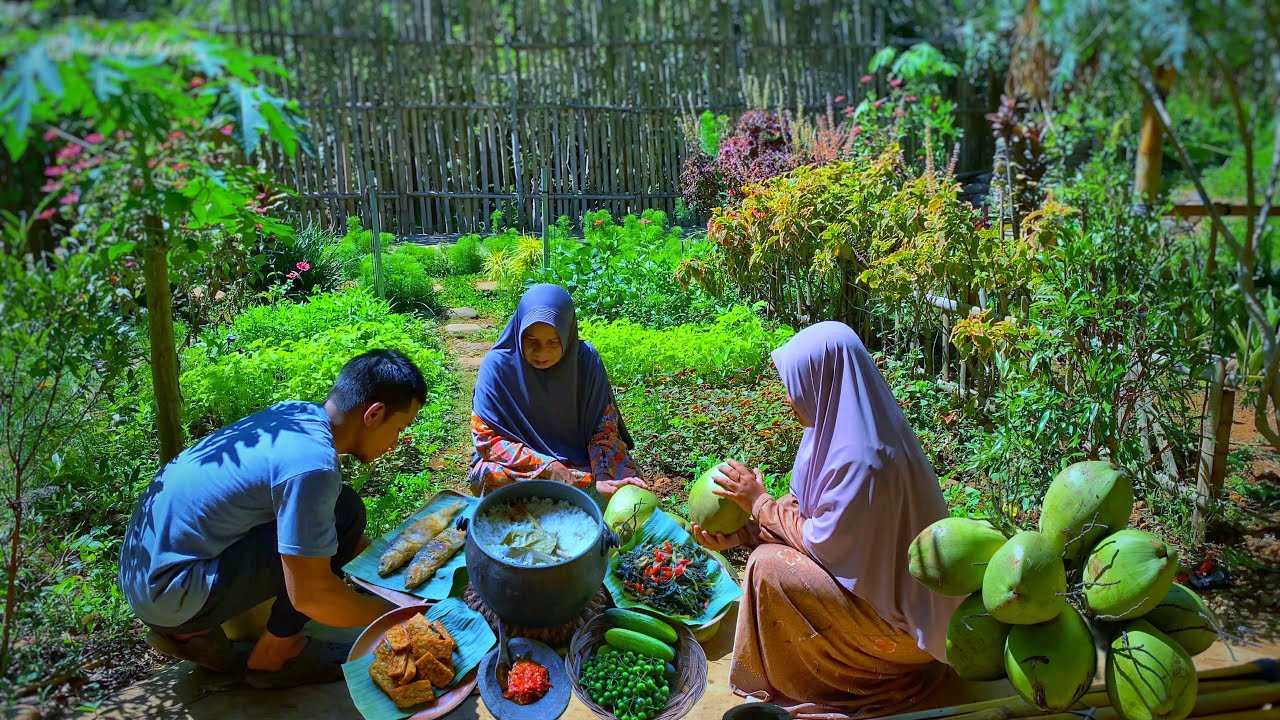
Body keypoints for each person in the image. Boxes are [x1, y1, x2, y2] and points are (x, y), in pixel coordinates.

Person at [693, 322, 963, 719]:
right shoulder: (830, 430)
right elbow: (807, 514)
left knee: (768, 568)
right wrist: (745, 533)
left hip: (902, 632)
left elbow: (822, 544)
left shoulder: (863, 460)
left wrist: (761, 504)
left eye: (796, 382)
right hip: (871, 589)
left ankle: (859, 678)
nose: (788, 396)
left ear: (825, 379)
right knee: (764, 556)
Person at [118, 349, 426, 688]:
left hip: (144, 572)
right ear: (374, 414)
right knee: (343, 515)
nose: (396, 442)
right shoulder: (312, 466)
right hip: (169, 591)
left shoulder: (295, 414)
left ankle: (197, 636)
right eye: (399, 428)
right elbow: (310, 595)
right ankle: (275, 655)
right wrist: (399, 617)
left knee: (340, 509)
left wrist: (393, 579)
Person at [469, 283, 646, 503]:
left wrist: (601, 474)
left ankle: (589, 494)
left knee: (629, 482)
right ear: (518, 332)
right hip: (523, 467)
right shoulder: (497, 366)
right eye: (531, 340)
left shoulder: (585, 361)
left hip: (580, 462)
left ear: (567, 334)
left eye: (553, 341)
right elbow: (486, 439)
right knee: (489, 475)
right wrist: (547, 466)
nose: (541, 352)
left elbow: (604, 428)